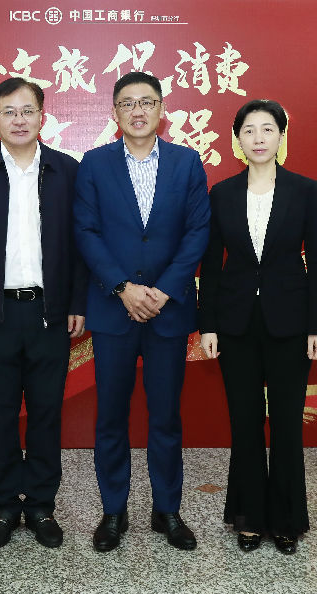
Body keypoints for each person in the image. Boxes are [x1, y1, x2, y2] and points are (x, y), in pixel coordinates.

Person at [0, 77, 87, 550]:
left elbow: (81, 245)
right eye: (9, 112)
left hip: (50, 313)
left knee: (46, 412)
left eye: (27, 111)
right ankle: (5, 504)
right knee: (2, 413)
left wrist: (77, 303)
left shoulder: (66, 170)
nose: (19, 120)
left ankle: (42, 503)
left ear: (42, 116)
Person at [74, 71, 210, 552]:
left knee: (166, 416)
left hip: (168, 313)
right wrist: (123, 288)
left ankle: (167, 509)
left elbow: (197, 232)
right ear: (114, 112)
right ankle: (113, 510)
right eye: (127, 103)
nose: (138, 111)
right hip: (114, 310)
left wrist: (165, 291)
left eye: (147, 102)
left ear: (161, 109)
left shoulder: (186, 162)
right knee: (110, 416)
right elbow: (86, 231)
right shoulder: (94, 163)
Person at [198, 99, 317, 555]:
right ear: (238, 140)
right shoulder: (222, 194)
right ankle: (250, 517)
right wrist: (208, 325)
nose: (258, 138)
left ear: (281, 136)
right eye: (249, 130)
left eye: (267, 129)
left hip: (291, 323)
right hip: (235, 325)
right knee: (246, 423)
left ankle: (287, 519)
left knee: (287, 424)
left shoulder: (304, 190)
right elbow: (211, 266)